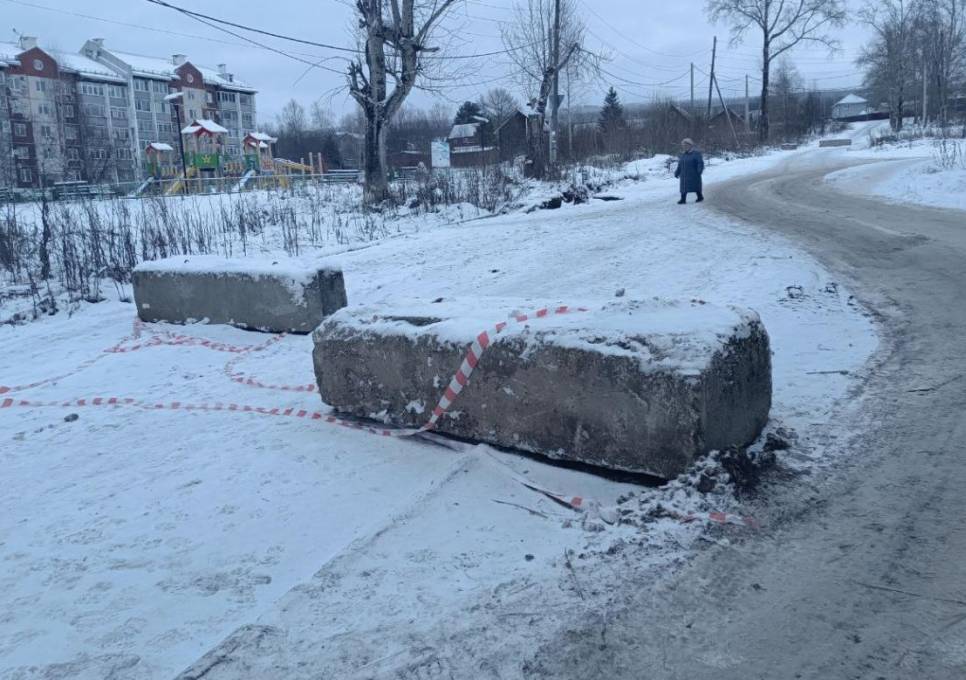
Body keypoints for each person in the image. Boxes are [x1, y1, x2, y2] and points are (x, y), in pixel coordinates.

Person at [674, 138, 704, 204]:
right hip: (684, 175)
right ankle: (683, 199)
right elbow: (680, 165)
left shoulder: (696, 154)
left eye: (686, 145)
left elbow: (700, 162)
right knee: (683, 187)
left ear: (690, 145)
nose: (684, 147)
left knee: (696, 185)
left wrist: (699, 170)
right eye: (683, 145)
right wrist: (677, 172)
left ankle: (700, 196)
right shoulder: (683, 155)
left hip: (694, 174)